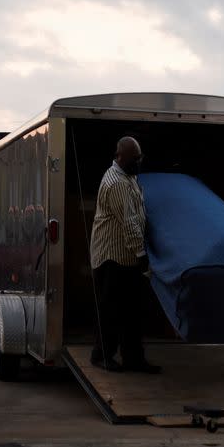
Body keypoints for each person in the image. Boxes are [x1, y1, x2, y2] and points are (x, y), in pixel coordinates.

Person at [89, 136, 161, 374]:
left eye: (140, 157)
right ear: (121, 156)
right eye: (135, 158)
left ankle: (134, 358)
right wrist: (142, 255)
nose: (139, 162)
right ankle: (102, 355)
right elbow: (129, 223)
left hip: (125, 256)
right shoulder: (117, 182)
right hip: (112, 256)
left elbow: (138, 213)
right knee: (110, 310)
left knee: (132, 311)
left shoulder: (128, 177)